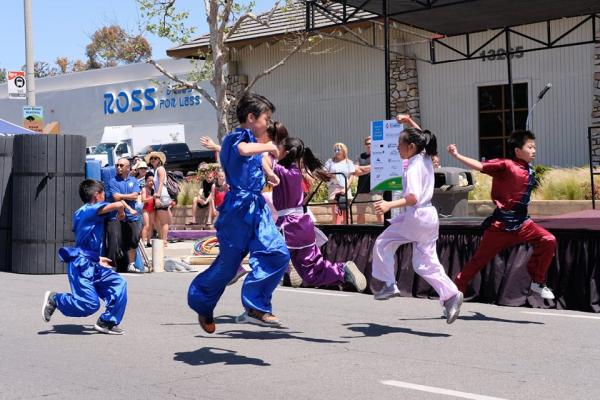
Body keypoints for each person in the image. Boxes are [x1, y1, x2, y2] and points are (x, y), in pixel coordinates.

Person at [187, 92, 290, 334]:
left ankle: (256, 307)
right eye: (267, 118)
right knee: (228, 265)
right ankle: (203, 302)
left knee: (278, 253)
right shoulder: (237, 136)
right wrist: (269, 146)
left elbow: (253, 159)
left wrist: (269, 173)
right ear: (252, 117)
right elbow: (243, 150)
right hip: (237, 210)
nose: (269, 123)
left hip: (256, 207)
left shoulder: (251, 142)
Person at [371, 114, 463, 324]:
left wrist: (388, 205)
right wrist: (409, 121)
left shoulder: (413, 166)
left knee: (384, 242)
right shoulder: (425, 157)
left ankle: (388, 283)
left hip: (416, 216)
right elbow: (422, 136)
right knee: (424, 262)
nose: (397, 148)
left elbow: (411, 198)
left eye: (399, 145)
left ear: (411, 147)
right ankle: (450, 295)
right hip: (429, 216)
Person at [447, 130, 556, 299]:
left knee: (548, 240)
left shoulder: (530, 170)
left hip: (523, 224)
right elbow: (479, 166)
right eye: (530, 147)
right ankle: (454, 293)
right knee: (478, 261)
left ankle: (537, 281)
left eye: (535, 147)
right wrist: (457, 155)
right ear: (518, 151)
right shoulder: (506, 165)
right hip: (501, 226)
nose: (534, 150)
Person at [273, 136, 367, 291]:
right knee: (312, 272)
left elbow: (261, 161)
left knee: (266, 252)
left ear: (287, 152)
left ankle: (287, 263)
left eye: (279, 148)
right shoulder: (296, 172)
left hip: (288, 224)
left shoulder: (281, 171)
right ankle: (342, 271)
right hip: (303, 223)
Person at [41, 180, 131, 335]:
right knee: (89, 304)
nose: (105, 197)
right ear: (97, 195)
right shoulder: (86, 210)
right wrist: (122, 206)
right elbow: (116, 205)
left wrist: (98, 258)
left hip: (93, 262)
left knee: (119, 283)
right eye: (104, 194)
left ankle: (107, 322)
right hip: (81, 265)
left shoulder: (92, 213)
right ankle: (56, 299)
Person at [106, 158, 142, 273]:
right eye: (117, 165)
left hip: (132, 217)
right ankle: (112, 265)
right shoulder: (113, 181)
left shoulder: (134, 181)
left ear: (128, 168)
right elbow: (116, 198)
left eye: (121, 165)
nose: (118, 167)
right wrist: (129, 205)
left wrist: (122, 196)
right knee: (114, 240)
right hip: (115, 216)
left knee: (134, 239)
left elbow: (135, 196)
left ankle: (131, 265)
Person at [353, 136, 383, 224]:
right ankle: (360, 235)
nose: (369, 145)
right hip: (362, 189)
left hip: (376, 189)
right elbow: (355, 171)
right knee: (360, 214)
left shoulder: (379, 155)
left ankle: (381, 233)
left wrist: (361, 169)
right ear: (365, 145)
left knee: (379, 213)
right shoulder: (360, 156)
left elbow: (380, 168)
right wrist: (371, 168)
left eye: (371, 143)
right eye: (367, 144)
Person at [324, 142, 355, 224]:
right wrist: (329, 175)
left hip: (345, 188)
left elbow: (351, 177)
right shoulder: (330, 161)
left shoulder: (349, 162)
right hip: (333, 187)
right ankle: (335, 232)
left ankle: (347, 233)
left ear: (344, 151)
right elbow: (324, 172)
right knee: (335, 212)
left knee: (346, 212)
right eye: (335, 150)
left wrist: (345, 188)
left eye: (339, 149)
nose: (336, 151)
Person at [145, 151, 171, 248]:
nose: (153, 160)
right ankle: (162, 239)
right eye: (151, 158)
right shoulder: (156, 170)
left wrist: (158, 196)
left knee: (163, 221)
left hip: (162, 195)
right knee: (157, 220)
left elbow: (161, 183)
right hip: (160, 195)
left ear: (159, 160)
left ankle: (164, 241)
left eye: (155, 158)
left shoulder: (160, 169)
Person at [140, 172, 155, 248]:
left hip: (152, 209)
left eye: (152, 181)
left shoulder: (153, 189)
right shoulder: (144, 189)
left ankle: (148, 242)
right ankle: (143, 242)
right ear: (145, 181)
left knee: (151, 226)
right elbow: (143, 200)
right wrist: (152, 197)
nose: (151, 182)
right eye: (149, 180)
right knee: (146, 225)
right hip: (146, 209)